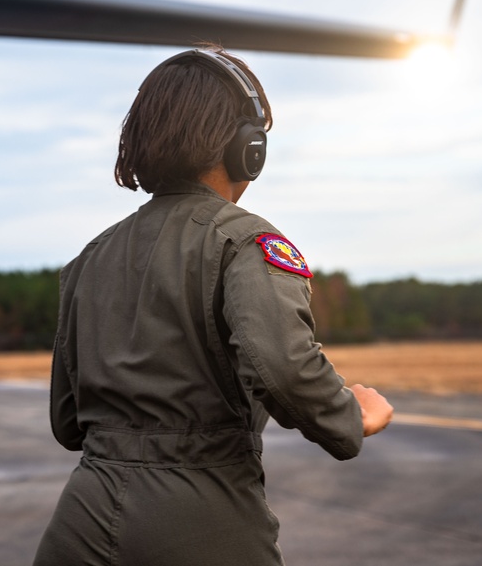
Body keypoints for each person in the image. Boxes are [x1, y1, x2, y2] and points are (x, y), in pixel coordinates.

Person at [33, 47, 393, 566]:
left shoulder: (88, 259)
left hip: (83, 514)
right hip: (200, 515)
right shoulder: (245, 241)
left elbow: (68, 423)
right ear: (248, 149)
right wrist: (350, 415)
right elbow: (285, 369)